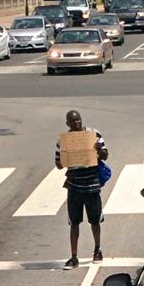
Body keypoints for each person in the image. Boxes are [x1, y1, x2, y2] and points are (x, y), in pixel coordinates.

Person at [54, 109, 108, 269]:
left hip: (92, 184)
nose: (76, 123)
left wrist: (98, 149)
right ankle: (74, 257)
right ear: (67, 123)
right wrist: (63, 159)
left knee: (95, 220)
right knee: (74, 222)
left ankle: (97, 250)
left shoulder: (94, 134)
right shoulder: (63, 141)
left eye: (78, 120)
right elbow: (58, 164)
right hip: (74, 185)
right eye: (72, 121)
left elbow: (105, 155)